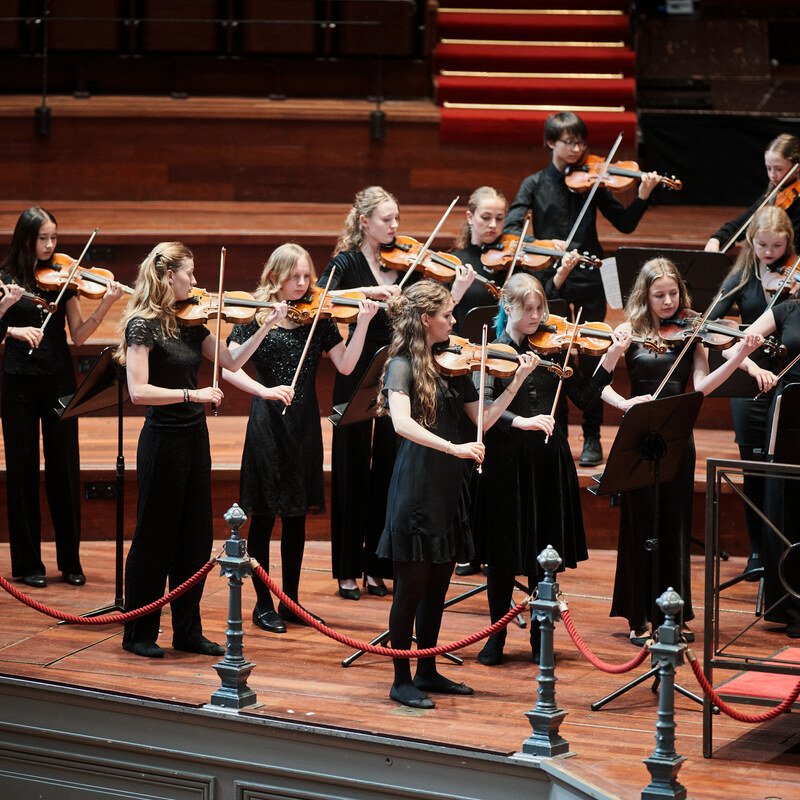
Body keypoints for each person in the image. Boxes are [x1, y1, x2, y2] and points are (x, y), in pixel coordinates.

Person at [115, 241, 286, 658]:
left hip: (194, 439)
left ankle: (186, 630)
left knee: (193, 538)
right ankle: (139, 633)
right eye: (189, 274)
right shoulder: (142, 325)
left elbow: (230, 361)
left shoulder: (191, 321)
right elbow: (138, 391)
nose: (195, 281)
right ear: (167, 276)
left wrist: (266, 323)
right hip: (162, 440)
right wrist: (192, 394)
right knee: (155, 537)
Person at [377, 280, 537, 709]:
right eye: (447, 314)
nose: (454, 320)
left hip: (450, 486)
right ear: (426, 320)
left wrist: (515, 382)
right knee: (409, 591)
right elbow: (401, 424)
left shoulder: (456, 365)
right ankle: (400, 678)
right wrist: (454, 447)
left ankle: (426, 669)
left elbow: (481, 418)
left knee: (438, 589)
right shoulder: (401, 365)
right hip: (417, 486)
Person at [319, 187, 473, 601]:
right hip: (358, 377)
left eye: (397, 219)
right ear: (364, 222)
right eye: (387, 219)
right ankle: (348, 569)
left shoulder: (412, 269)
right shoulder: (347, 263)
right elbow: (319, 301)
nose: (395, 227)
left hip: (399, 378)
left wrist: (455, 291)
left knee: (388, 473)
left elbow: (431, 320)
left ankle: (378, 566)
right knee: (351, 474)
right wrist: (367, 294)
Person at [471, 273, 632, 665]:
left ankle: (540, 638)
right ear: (507, 308)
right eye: (527, 308)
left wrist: (610, 357)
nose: (536, 315)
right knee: (503, 554)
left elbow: (581, 396)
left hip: (547, 459)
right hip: (506, 460)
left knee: (546, 552)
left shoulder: (555, 349)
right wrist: (519, 421)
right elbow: (482, 411)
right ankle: (496, 636)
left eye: (539, 307)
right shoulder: (491, 351)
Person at [600, 257, 764, 644]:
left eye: (673, 293)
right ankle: (639, 615)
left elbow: (702, 386)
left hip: (677, 437)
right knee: (641, 524)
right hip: (639, 435)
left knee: (673, 524)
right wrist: (625, 404)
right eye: (660, 295)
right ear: (646, 295)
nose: (669, 301)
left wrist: (739, 357)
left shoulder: (693, 332)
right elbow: (599, 385)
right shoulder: (628, 331)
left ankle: (672, 611)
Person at [222, 243, 378, 633]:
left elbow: (345, 365)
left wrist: (361, 325)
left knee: (295, 519)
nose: (305, 284)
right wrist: (264, 385)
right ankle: (261, 604)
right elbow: (230, 367)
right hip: (267, 424)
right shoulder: (255, 315)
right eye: (296, 277)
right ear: (274, 277)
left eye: (308, 276)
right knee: (263, 518)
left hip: (305, 424)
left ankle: (290, 602)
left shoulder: (319, 319)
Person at [504, 111, 659, 467]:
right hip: (550, 287)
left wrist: (643, 194)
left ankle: (592, 437)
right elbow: (512, 229)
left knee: (591, 359)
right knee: (552, 357)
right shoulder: (534, 184)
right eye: (569, 142)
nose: (577, 149)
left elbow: (625, 223)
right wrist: (544, 245)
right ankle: (554, 428)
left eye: (581, 142)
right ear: (550, 143)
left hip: (589, 281)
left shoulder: (593, 182)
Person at [1, 206, 125, 588]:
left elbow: (81, 335)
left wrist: (105, 302)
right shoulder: (5, 279)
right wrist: (10, 319)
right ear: (26, 238)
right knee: (22, 470)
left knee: (65, 469)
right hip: (17, 383)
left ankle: (70, 561)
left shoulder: (64, 279)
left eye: (54, 237)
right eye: (43, 238)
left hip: (58, 380)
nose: (51, 245)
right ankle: (27, 564)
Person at [710, 206, 795, 578]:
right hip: (750, 377)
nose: (770, 253)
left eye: (777, 246)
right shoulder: (741, 276)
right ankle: (758, 552)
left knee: (785, 470)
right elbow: (713, 327)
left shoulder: (796, 272)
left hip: (790, 380)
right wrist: (749, 363)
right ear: (751, 241)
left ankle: (784, 551)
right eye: (762, 245)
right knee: (751, 467)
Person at [738, 289, 800, 637]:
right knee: (784, 509)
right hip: (789, 410)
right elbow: (735, 347)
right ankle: (789, 605)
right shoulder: (787, 309)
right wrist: (756, 367)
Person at [705, 133, 800, 253]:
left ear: (797, 167)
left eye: (778, 169)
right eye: (768, 168)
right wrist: (717, 239)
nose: (772, 175)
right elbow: (743, 224)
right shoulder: (776, 193)